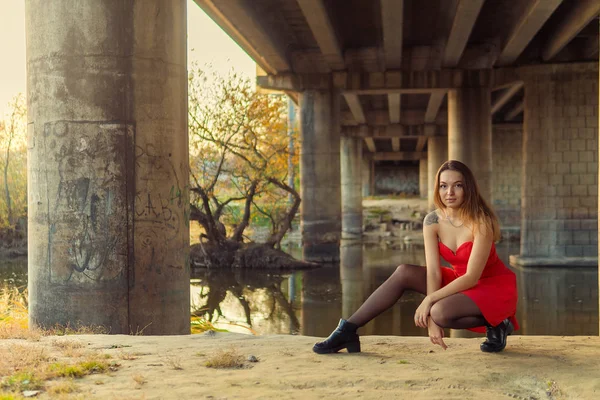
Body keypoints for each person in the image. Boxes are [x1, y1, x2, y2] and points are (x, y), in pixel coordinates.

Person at [312, 160, 519, 354]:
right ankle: (347, 330)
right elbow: (434, 271)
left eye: (458, 185)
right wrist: (430, 320)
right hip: (459, 281)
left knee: (440, 312)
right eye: (443, 186)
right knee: (404, 272)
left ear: (468, 188)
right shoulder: (432, 221)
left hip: (492, 286)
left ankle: (498, 322)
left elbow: (472, 277)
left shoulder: (481, 222)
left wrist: (429, 302)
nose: (449, 192)